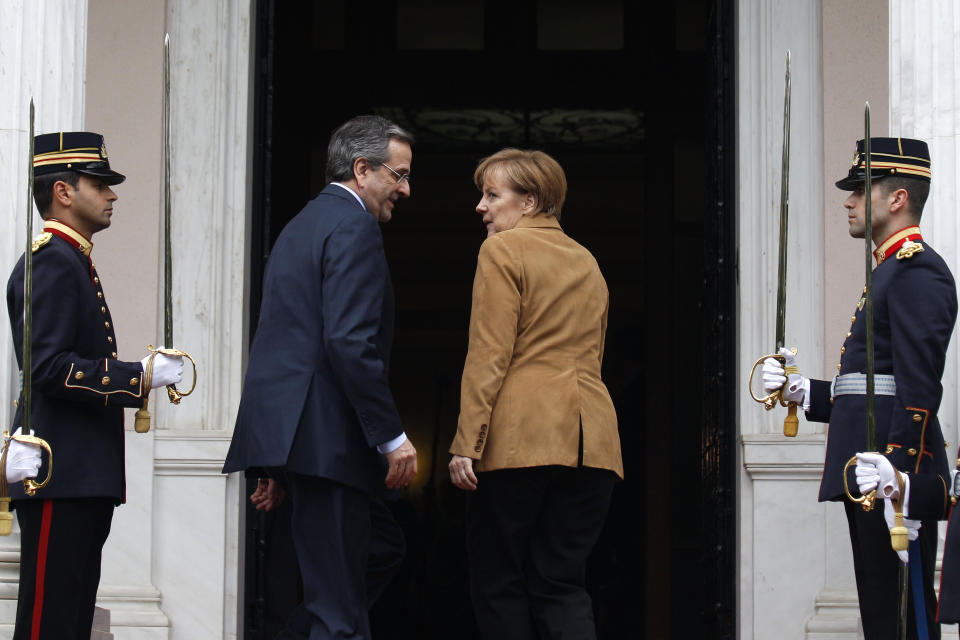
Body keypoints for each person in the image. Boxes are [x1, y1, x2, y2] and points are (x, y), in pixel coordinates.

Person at [222, 115, 418, 639]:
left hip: (303, 442)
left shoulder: (303, 223)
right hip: (328, 444)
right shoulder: (353, 225)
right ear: (361, 169)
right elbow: (349, 342)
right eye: (397, 175)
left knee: (379, 551)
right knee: (338, 614)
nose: (405, 188)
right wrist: (391, 436)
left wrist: (277, 462)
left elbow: (284, 340)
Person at [761, 137, 957, 639]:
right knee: (879, 609)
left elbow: (918, 388)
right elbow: (872, 385)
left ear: (897, 199)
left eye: (860, 188)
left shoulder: (916, 270)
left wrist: (902, 472)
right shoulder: (889, 270)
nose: (847, 200)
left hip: (889, 469)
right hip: (871, 463)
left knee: (901, 618)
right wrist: (808, 392)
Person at [6, 131, 184, 639]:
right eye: (100, 183)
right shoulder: (52, 262)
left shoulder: (73, 261)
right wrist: (139, 377)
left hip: (79, 475)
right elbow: (48, 367)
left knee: (71, 620)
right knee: (49, 624)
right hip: (58, 472)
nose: (112, 194)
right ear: (64, 191)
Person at [448, 148, 623, 640]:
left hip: (519, 440)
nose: (481, 207)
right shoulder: (588, 261)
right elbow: (595, 352)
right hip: (594, 444)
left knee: (498, 581)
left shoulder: (502, 250)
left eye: (491, 195)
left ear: (529, 202)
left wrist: (468, 439)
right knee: (561, 583)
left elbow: (489, 352)